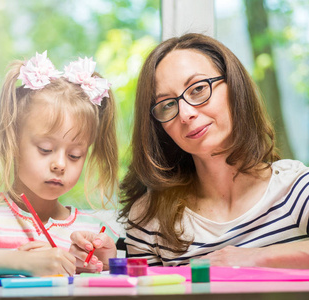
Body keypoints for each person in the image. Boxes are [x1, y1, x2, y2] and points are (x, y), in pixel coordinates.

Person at [119, 33, 309, 269]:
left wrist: (255, 257)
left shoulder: (296, 188)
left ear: (234, 87)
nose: (185, 113)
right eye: (168, 104)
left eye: (198, 89)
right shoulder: (148, 218)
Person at [0, 51, 118, 277]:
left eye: (75, 155)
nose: (59, 164)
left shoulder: (91, 229)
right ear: (12, 142)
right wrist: (21, 262)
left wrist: (105, 262)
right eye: (45, 149)